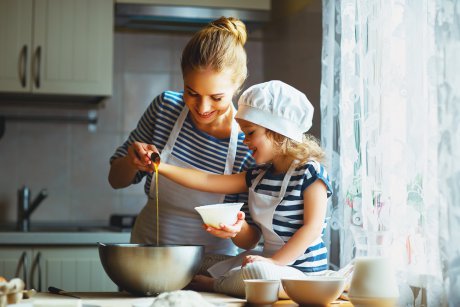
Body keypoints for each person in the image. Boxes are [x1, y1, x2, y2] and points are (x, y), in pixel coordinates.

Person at [154, 80, 333, 297]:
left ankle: (215, 285)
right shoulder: (258, 176)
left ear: (277, 131)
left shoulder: (310, 173)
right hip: (266, 263)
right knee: (200, 262)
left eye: (250, 132)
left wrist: (274, 262)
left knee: (258, 272)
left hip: (302, 275)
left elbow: (312, 228)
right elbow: (208, 181)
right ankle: (229, 280)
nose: (245, 140)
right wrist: (158, 166)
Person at [108, 17, 256, 269]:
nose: (202, 107)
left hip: (210, 270)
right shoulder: (165, 108)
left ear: (237, 86)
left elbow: (251, 238)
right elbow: (115, 179)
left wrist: (236, 228)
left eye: (216, 97)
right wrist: (132, 162)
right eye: (192, 92)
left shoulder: (248, 140)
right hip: (147, 259)